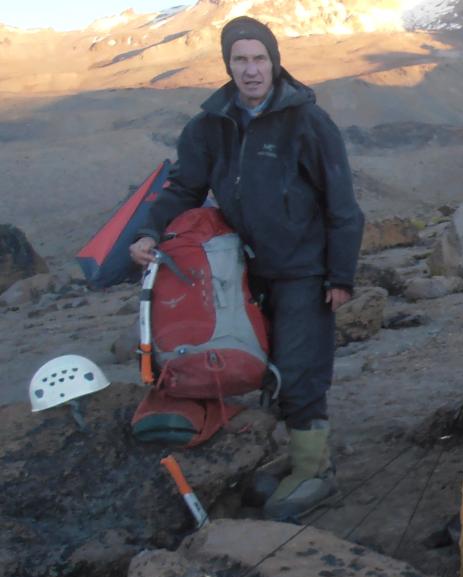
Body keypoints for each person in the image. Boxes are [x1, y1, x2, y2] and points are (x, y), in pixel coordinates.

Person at [129, 16, 363, 521]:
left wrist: (340, 276)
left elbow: (342, 202)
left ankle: (317, 472)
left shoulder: (307, 122)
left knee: (301, 368)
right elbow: (183, 188)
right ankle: (297, 458)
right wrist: (148, 232)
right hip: (240, 271)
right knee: (265, 364)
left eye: (259, 58)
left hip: (304, 268)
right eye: (241, 60)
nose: (251, 69)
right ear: (227, 64)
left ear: (274, 61)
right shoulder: (210, 126)